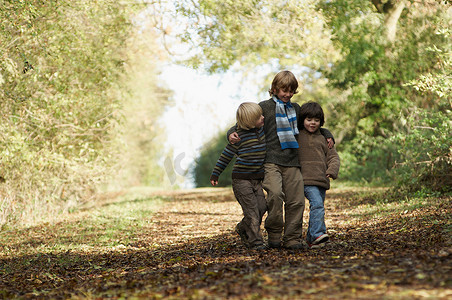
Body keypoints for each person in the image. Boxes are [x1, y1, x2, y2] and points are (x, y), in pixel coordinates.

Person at [228, 70, 334, 250]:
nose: (287, 94)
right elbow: (245, 122)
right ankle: (275, 234)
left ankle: (292, 238)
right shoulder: (264, 108)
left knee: (296, 200)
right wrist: (231, 133)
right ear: (275, 89)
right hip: (270, 161)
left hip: (293, 161)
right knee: (275, 195)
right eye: (284, 90)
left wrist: (326, 133)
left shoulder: (297, 109)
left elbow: (311, 125)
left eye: (291, 91)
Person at [210, 102, 267, 250]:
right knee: (252, 212)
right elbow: (225, 157)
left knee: (262, 207)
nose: (263, 118)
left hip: (257, 180)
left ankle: (243, 227)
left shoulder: (262, 130)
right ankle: (255, 241)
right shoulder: (238, 137)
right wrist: (216, 173)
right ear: (248, 122)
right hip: (241, 180)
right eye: (258, 117)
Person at [298, 101, 340, 249]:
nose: (312, 123)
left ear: (321, 122)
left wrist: (332, 170)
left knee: (318, 206)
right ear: (302, 120)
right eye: (309, 119)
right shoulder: (298, 136)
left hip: (321, 180)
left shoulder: (324, 139)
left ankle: (311, 239)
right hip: (305, 179)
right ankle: (317, 233)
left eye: (316, 120)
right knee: (317, 204)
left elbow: (333, 157)